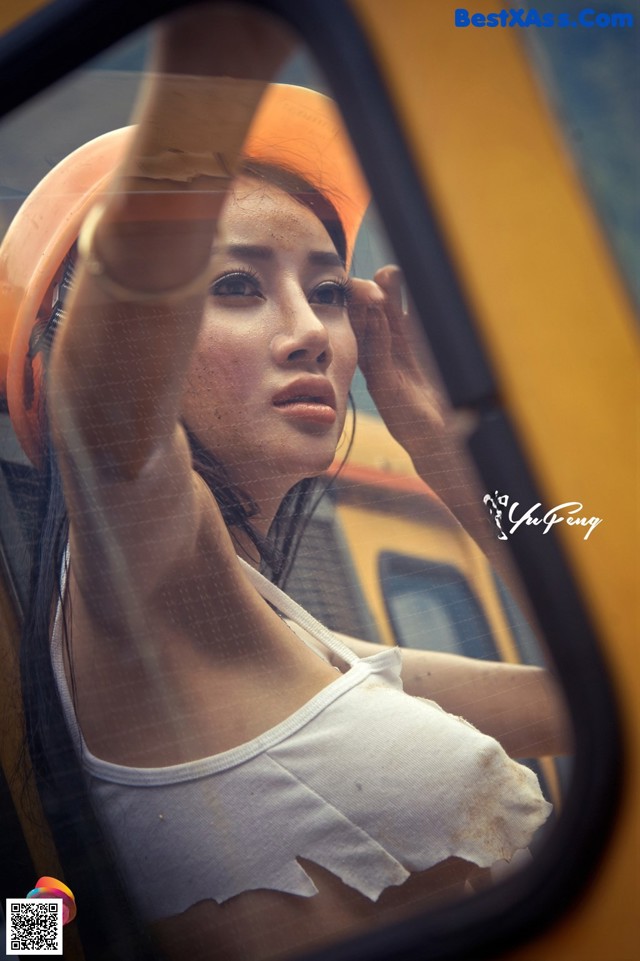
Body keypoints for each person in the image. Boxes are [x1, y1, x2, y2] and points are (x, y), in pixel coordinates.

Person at [0, 8, 566, 961]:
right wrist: (209, 82)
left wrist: (457, 463)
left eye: (329, 289)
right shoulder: (142, 594)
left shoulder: (301, 650)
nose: (311, 329)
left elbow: (608, 668)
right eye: (233, 285)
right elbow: (106, 391)